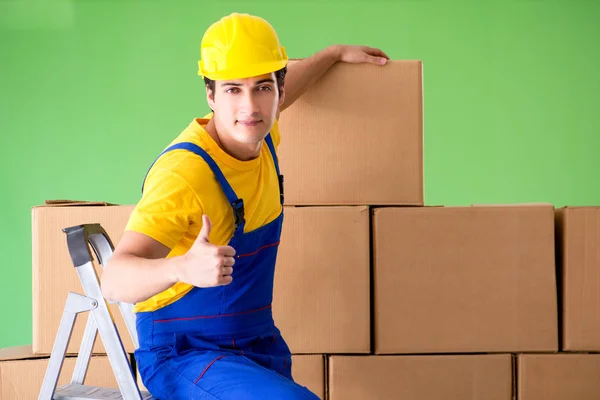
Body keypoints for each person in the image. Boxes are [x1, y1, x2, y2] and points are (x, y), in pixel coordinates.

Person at [101, 12, 389, 399]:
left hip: (254, 344)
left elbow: (290, 79)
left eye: (263, 88)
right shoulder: (185, 174)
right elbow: (114, 279)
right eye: (233, 89)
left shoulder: (261, 135)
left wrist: (333, 54)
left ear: (279, 92)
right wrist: (183, 266)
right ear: (210, 95)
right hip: (184, 354)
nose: (249, 107)